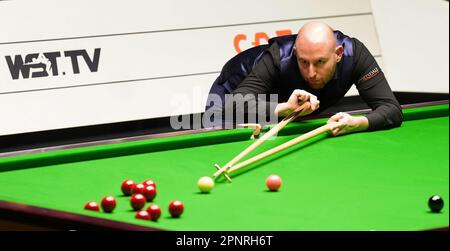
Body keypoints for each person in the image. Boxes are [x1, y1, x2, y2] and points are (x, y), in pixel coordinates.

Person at [205, 21, 403, 136]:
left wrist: (357, 123)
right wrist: (285, 108)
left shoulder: (356, 54)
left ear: (338, 53)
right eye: (303, 62)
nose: (311, 73)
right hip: (231, 95)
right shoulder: (277, 57)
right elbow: (236, 105)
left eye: (319, 62)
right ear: (294, 53)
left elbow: (391, 109)